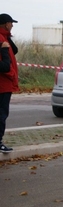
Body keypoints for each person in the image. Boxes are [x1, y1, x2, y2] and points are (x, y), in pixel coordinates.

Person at [0, 13, 19, 154]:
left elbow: (16, 50)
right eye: (11, 23)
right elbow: (5, 66)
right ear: (6, 24)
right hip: (3, 84)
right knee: (1, 114)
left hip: (5, 84)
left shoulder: (4, 38)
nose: (12, 25)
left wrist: (8, 37)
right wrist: (12, 74)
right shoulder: (1, 40)